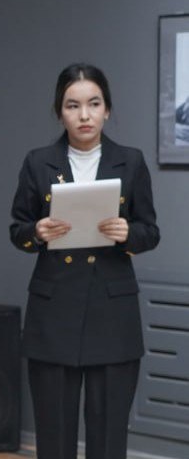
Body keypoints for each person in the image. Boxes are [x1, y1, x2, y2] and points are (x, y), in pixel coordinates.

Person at [9, 63, 159, 459]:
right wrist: (37, 232)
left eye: (94, 104)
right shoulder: (38, 162)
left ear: (107, 109)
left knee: (109, 438)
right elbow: (17, 229)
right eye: (73, 106)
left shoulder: (131, 161)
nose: (84, 115)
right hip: (53, 311)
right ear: (60, 112)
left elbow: (150, 231)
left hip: (113, 311)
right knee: (53, 436)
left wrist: (128, 233)